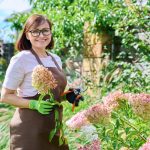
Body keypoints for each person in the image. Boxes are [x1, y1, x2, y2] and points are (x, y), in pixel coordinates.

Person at [0, 14, 83, 150]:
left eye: (45, 30)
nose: (41, 35)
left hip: (53, 127)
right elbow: (5, 96)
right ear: (27, 35)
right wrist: (34, 104)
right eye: (35, 31)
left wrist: (68, 95)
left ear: (50, 32)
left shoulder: (55, 59)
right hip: (29, 129)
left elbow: (53, 95)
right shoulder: (21, 59)